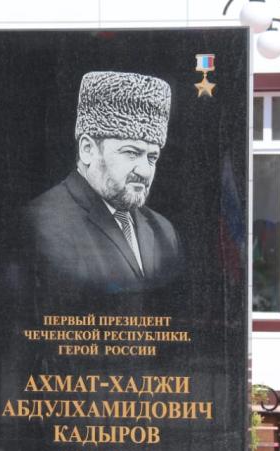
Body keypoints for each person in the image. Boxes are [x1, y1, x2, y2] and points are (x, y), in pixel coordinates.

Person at [21, 71, 183, 305]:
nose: (146, 171)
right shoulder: (39, 225)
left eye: (152, 157)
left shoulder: (165, 232)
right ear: (88, 149)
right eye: (131, 153)